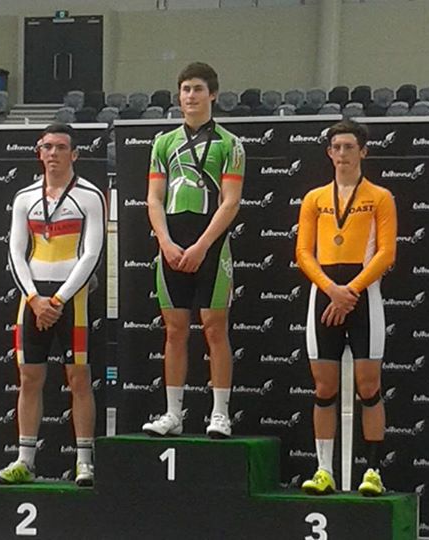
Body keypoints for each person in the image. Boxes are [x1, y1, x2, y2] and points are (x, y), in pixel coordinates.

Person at [0, 123, 106, 486]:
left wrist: (56, 300)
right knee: (29, 378)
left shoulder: (90, 195)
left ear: (75, 154)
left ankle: (85, 462)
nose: (53, 153)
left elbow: (92, 254)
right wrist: (34, 299)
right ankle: (25, 461)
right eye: (47, 146)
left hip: (72, 297)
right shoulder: (25, 197)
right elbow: (15, 252)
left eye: (61, 147)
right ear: (39, 152)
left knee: (79, 377)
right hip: (33, 297)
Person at [141, 62, 245, 438]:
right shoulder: (163, 142)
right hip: (171, 243)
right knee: (174, 330)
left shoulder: (230, 144)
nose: (191, 96)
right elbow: (154, 199)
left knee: (215, 329)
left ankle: (220, 414)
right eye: (185, 89)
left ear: (212, 94)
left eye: (198, 89)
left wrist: (202, 245)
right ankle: (173, 414)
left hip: (211, 245)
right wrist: (166, 243)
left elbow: (230, 201)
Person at [295, 119, 397, 496]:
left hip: (363, 295)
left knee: (369, 386)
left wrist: (349, 291)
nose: (342, 154)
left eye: (349, 147)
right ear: (328, 153)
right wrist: (331, 290)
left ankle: (373, 472)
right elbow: (303, 252)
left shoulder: (380, 197)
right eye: (336, 147)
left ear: (363, 152)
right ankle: (324, 470)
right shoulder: (314, 199)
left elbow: (386, 253)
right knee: (324, 387)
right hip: (324, 294)